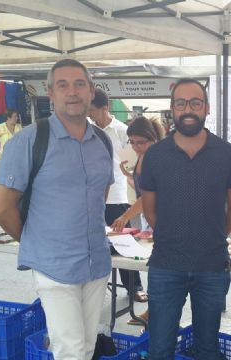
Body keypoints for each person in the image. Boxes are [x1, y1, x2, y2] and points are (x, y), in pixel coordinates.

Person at [0, 59, 114, 360]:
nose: (72, 92)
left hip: (96, 262)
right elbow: (0, 208)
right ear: (51, 92)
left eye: (79, 84)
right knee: (69, 349)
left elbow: (100, 195)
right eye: (63, 85)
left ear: (91, 91)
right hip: (54, 266)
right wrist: (36, 241)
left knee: (87, 346)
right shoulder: (29, 140)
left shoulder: (103, 142)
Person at [139, 78, 231, 360]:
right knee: (160, 348)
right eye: (181, 103)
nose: (188, 109)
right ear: (171, 109)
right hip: (166, 265)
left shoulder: (226, 153)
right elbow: (150, 209)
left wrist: (216, 234)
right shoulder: (155, 156)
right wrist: (173, 235)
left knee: (208, 349)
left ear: (206, 108)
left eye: (195, 103)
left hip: (211, 265)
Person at [88, 89, 148, 304]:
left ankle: (134, 287)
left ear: (105, 108)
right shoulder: (87, 130)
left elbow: (131, 166)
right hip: (92, 195)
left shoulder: (122, 131)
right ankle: (95, 285)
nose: (90, 114)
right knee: (94, 242)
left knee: (123, 243)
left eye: (92, 110)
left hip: (116, 195)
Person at [110, 116, 166, 326]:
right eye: (132, 142)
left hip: (164, 220)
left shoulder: (160, 158)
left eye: (140, 142)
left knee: (160, 269)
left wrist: (125, 216)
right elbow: (143, 191)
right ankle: (153, 311)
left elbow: (148, 196)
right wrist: (128, 175)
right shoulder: (142, 158)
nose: (135, 147)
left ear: (152, 138)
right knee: (152, 266)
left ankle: (156, 313)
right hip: (149, 219)